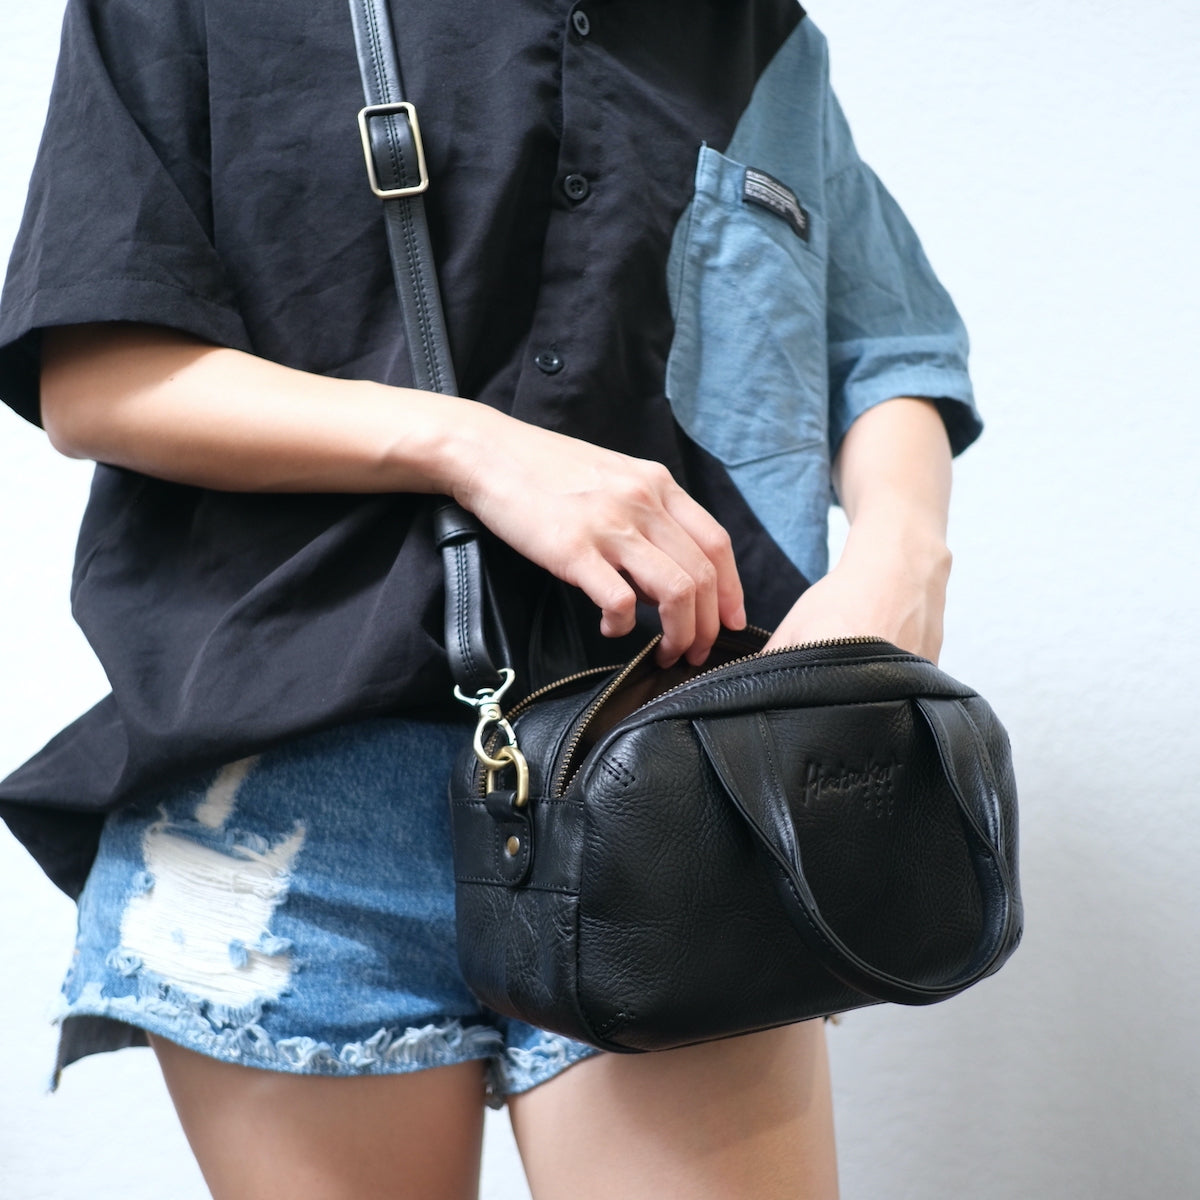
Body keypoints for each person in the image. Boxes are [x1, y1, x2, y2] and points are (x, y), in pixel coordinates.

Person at [0, 2, 979, 1197]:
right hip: (293, 812)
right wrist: (476, 448)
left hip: (679, 784)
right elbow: (97, 374)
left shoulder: (746, 29)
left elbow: (887, 347)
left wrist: (899, 553)